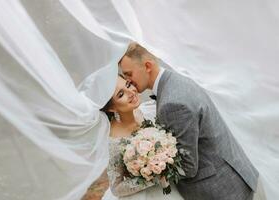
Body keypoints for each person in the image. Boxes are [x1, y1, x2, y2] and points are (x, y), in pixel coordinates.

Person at [117, 42, 266, 200]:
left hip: (222, 190)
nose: (128, 80)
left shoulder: (172, 104)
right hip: (234, 172)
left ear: (147, 66)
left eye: (129, 74)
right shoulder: (176, 79)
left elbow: (188, 167)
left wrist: (147, 167)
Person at [101, 75, 184, 200]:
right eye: (121, 94)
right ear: (112, 108)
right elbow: (116, 188)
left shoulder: (147, 110)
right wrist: (153, 175)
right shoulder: (113, 141)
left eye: (128, 85)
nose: (131, 92)